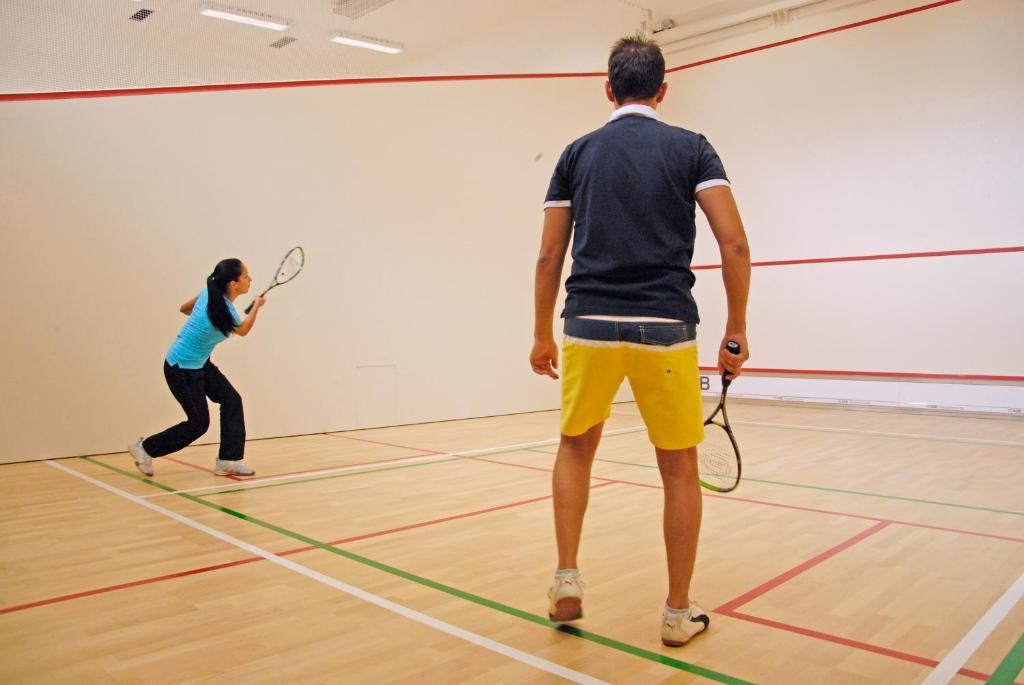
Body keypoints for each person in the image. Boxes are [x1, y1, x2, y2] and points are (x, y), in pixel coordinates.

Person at [530, 35, 751, 647]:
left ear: (608, 89)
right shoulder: (692, 148)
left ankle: (566, 576)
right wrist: (736, 328)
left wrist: (541, 333)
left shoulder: (576, 154)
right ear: (662, 90)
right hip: (666, 327)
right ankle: (677, 613)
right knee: (678, 467)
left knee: (576, 448)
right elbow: (734, 243)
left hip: (589, 324)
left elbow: (550, 253)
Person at [129, 258, 265, 478]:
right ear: (233, 284)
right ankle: (144, 448)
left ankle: (227, 461)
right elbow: (243, 330)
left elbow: (184, 309)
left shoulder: (209, 294)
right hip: (181, 368)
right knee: (198, 424)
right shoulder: (224, 310)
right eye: (246, 276)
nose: (250, 279)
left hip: (199, 362)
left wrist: (200, 324)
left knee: (231, 399)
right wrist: (256, 306)